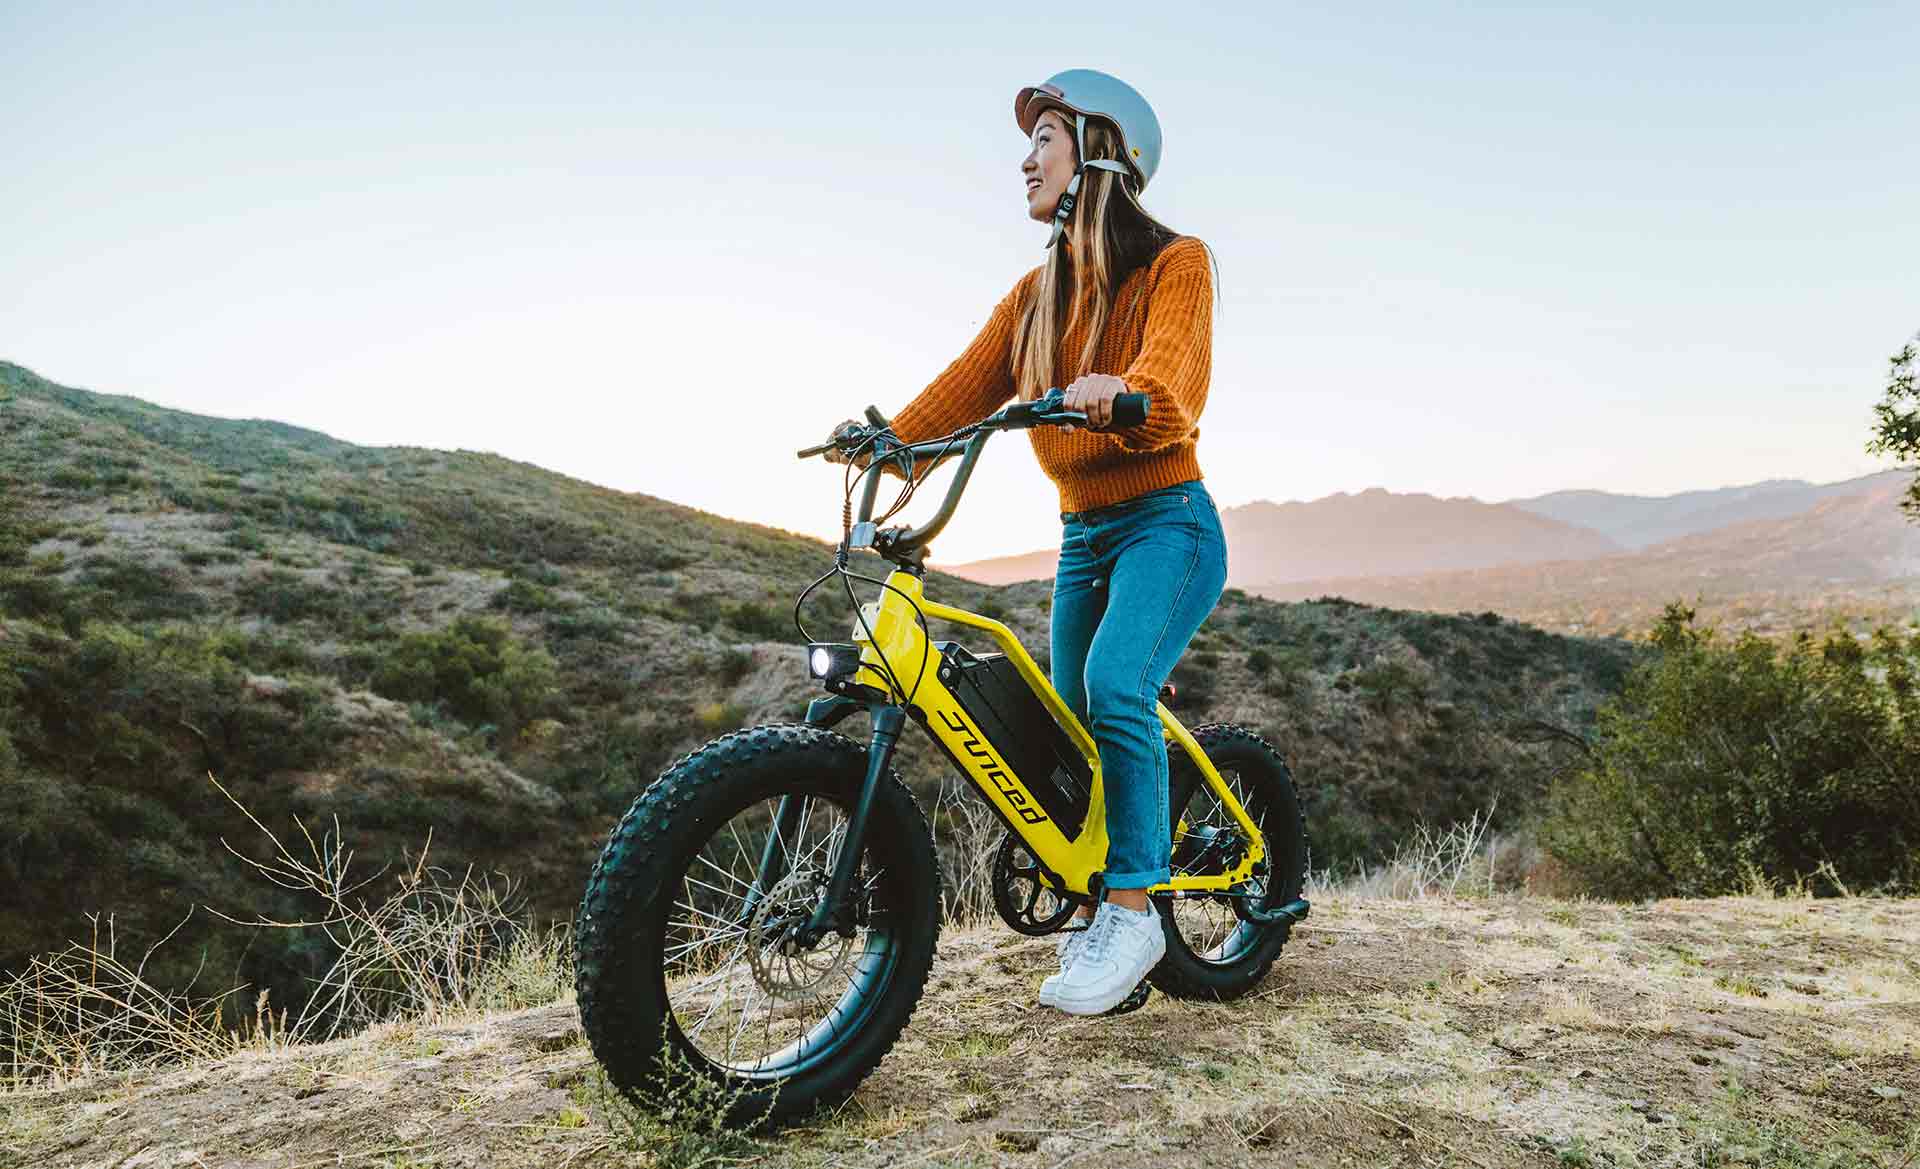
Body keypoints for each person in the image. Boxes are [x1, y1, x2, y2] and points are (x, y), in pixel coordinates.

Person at [831, 69, 1227, 1016]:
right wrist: (890, 446)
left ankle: (1133, 910)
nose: (1025, 157)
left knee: (1114, 688)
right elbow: (962, 392)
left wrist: (1119, 390)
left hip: (1168, 524)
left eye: (1044, 136)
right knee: (1071, 717)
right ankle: (1104, 883)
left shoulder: (1178, 263)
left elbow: (1172, 383)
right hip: (1083, 539)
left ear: (1100, 147)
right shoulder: (1032, 298)